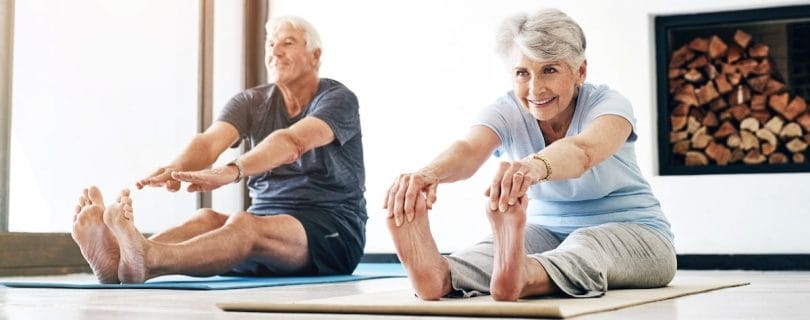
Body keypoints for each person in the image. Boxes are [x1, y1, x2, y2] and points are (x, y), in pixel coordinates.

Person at [384, 8, 675, 301]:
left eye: (549, 70)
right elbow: (470, 150)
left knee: (585, 244)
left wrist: (532, 167)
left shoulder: (610, 105)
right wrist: (428, 174)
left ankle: (524, 274)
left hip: (638, 233)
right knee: (491, 251)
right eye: (522, 73)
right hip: (544, 231)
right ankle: (439, 276)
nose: (535, 88)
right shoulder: (507, 110)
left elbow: (582, 152)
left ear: (580, 71)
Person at [71, 15, 367, 284]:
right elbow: (209, 142)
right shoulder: (252, 101)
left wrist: (232, 171)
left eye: (287, 43)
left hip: (331, 232)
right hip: (264, 224)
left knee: (245, 225)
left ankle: (147, 259)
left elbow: (292, 143)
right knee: (206, 219)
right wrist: (175, 168)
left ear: (315, 56)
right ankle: (121, 260)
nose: (275, 52)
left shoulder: (338, 100)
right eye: (271, 44)